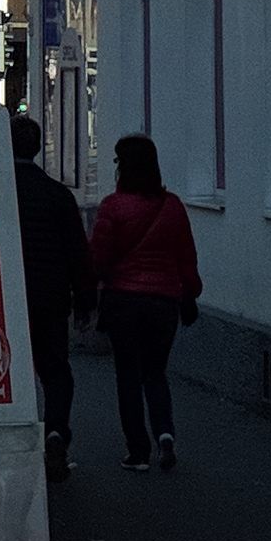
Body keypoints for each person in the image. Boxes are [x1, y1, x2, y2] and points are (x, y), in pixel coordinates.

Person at [83, 132, 200, 472]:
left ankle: (137, 452)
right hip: (164, 303)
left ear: (124, 167)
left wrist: (92, 289)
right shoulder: (173, 206)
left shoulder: (113, 207)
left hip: (124, 302)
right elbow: (186, 257)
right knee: (156, 373)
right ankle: (165, 435)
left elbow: (99, 257)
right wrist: (189, 293)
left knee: (128, 375)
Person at [8, 111, 88, 484]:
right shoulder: (58, 196)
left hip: (5, 300)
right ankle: (56, 432)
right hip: (51, 299)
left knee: (8, 373)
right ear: (39, 148)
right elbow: (78, 252)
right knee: (55, 371)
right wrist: (85, 301)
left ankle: (11, 449)